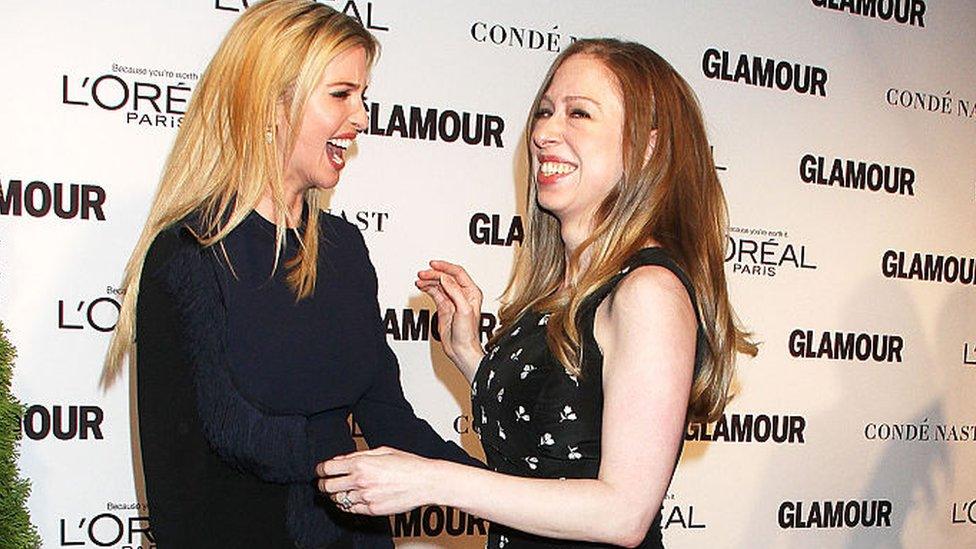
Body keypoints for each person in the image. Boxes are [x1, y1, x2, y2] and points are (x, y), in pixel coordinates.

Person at [316, 38, 758, 548]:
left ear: (648, 146)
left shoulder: (648, 291)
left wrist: (430, 479)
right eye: (545, 111)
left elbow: (624, 512)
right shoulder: (565, 288)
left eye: (579, 114)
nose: (545, 131)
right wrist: (468, 354)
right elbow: (553, 441)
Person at [101, 1, 477, 547]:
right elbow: (225, 434)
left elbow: (388, 416)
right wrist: (359, 465)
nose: (362, 119)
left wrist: (501, 489)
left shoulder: (345, 250)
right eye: (341, 94)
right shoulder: (188, 254)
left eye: (363, 97)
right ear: (273, 103)